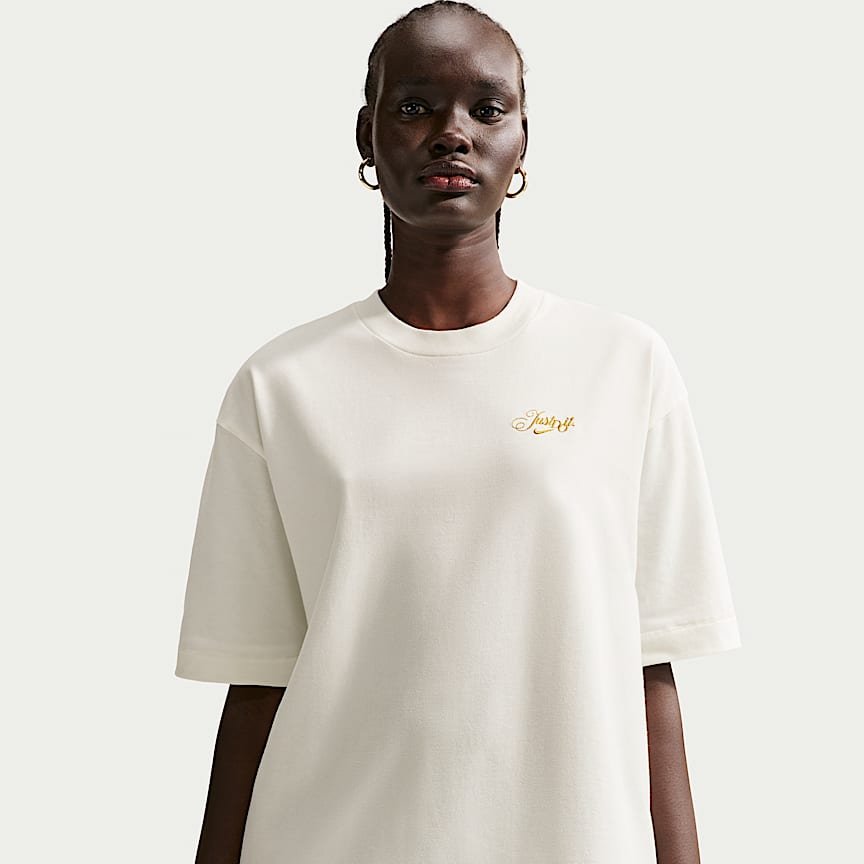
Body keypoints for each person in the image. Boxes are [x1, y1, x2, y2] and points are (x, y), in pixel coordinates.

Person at [174, 2, 742, 862]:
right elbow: (259, 682)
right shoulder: (280, 385)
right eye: (414, 107)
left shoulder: (624, 365)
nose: (452, 134)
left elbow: (651, 665)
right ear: (367, 138)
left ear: (522, 143)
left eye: (487, 108)